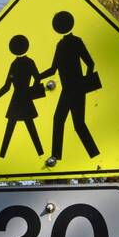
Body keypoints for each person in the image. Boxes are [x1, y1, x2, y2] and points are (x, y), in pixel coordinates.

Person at [40, 10, 100, 163]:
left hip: (76, 89)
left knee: (76, 124)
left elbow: (90, 63)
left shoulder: (76, 41)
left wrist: (84, 84)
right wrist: (38, 77)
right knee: (61, 120)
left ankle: (94, 155)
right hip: (67, 90)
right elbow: (53, 69)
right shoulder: (60, 45)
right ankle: (56, 157)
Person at [0, 34, 45, 158]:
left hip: (19, 98)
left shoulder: (15, 64)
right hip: (22, 98)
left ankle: (39, 153)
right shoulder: (25, 62)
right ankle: (40, 153)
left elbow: (7, 86)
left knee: (20, 126)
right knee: (21, 126)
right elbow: (36, 78)